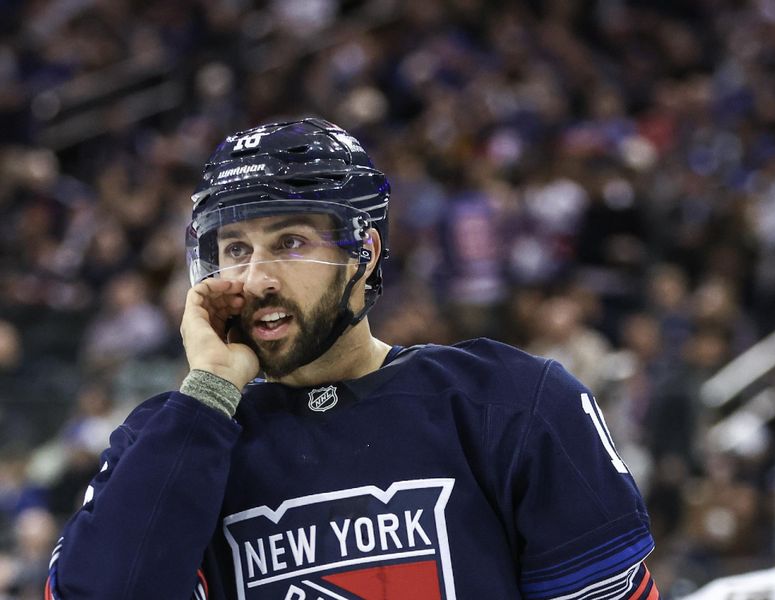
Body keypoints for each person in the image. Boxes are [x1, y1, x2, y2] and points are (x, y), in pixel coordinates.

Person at [45, 118, 661, 599]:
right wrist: (207, 394)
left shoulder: (514, 402)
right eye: (234, 249)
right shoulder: (171, 438)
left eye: (289, 242)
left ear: (363, 253)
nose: (254, 278)